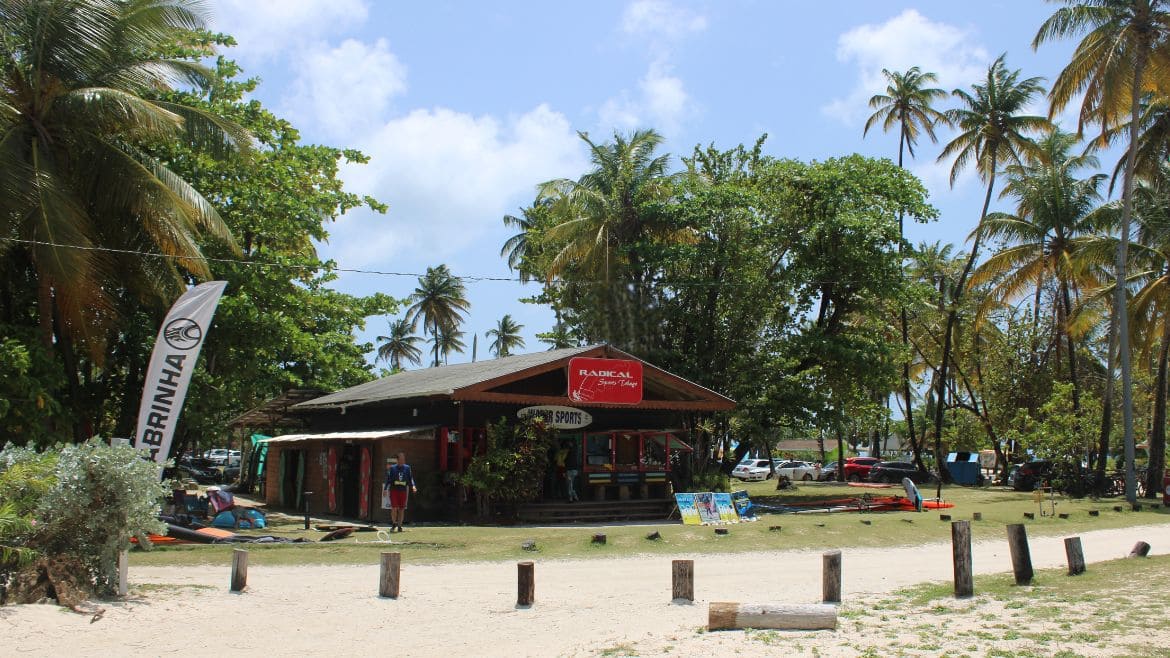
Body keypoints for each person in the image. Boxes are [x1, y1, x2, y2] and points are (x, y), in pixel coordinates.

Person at [383, 452, 417, 532]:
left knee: (401, 509)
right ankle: (394, 523)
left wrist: (413, 486)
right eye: (401, 459)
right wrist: (385, 489)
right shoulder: (392, 468)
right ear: (397, 460)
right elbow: (388, 479)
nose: (403, 461)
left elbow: (410, 478)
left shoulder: (407, 468)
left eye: (404, 459)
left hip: (403, 491)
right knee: (394, 508)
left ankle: (399, 526)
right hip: (394, 490)